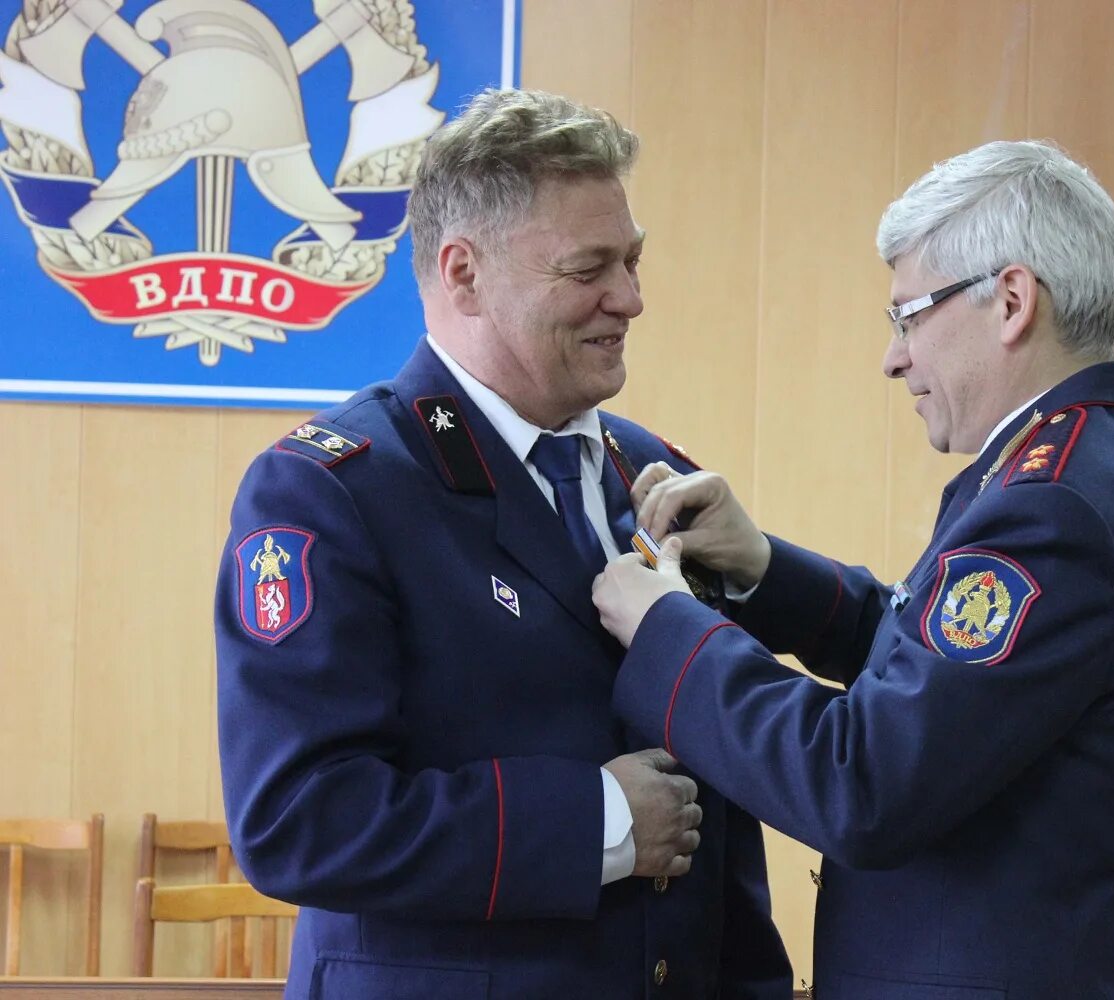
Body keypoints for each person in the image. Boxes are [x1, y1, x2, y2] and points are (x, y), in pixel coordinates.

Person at [593, 140, 1114, 1000]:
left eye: (909, 316)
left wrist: (665, 629)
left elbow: (862, 782)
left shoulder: (1051, 504)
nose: (894, 357)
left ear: (1013, 302)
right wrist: (763, 570)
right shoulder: (1099, 455)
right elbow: (939, 666)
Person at [215, 88, 790, 1000]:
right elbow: (298, 820)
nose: (632, 298)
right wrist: (596, 821)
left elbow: (705, 787)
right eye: (589, 267)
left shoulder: (650, 472)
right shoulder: (333, 491)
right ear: (464, 273)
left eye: (634, 260)